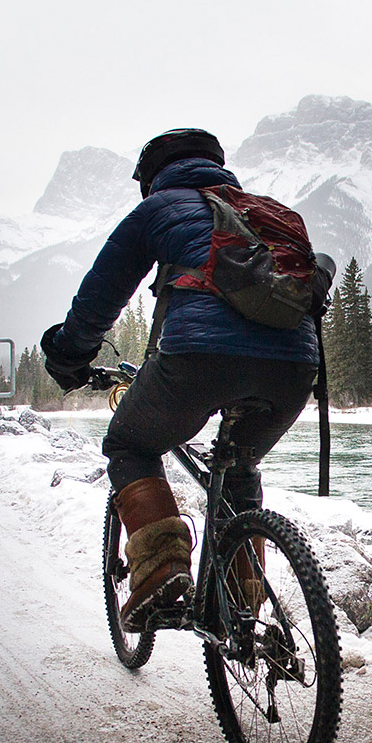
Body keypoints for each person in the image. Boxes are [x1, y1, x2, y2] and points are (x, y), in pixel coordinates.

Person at [41, 128, 322, 631]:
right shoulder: (265, 214)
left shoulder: (160, 209)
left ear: (151, 177)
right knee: (238, 467)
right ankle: (241, 606)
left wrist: (69, 354)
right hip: (295, 368)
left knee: (129, 443)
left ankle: (163, 569)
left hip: (199, 359)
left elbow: (101, 296)